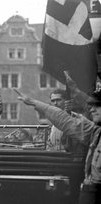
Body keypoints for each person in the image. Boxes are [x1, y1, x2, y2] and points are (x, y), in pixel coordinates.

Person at [15, 72, 101, 204]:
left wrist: (33, 102)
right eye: (92, 106)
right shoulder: (95, 131)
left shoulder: (87, 126)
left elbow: (67, 122)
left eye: (97, 106)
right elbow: (64, 121)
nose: (93, 110)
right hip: (88, 183)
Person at [48, 89, 88, 153]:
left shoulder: (77, 118)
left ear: (66, 101)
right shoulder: (54, 119)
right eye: (53, 101)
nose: (55, 103)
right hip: (55, 157)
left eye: (58, 100)